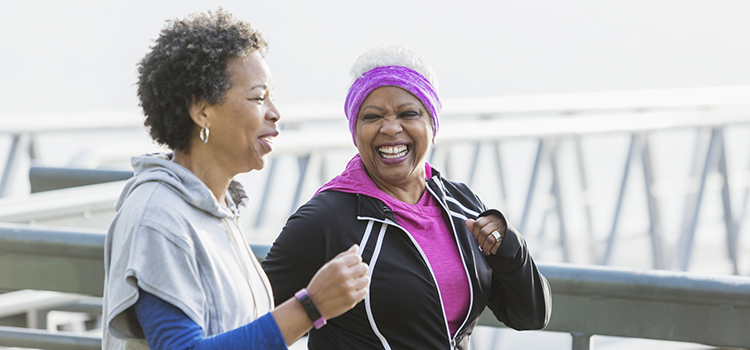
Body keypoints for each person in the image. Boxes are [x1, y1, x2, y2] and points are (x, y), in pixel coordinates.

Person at [102, 10, 369, 350]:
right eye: (258, 97)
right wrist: (310, 307)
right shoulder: (158, 219)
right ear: (201, 111)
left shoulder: (215, 207)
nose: (275, 111)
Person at [262, 44, 551, 349]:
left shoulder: (461, 205)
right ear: (355, 131)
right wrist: (312, 307)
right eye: (372, 117)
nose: (390, 128)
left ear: (432, 125)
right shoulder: (326, 218)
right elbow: (249, 319)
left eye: (408, 113)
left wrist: (510, 249)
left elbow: (529, 316)